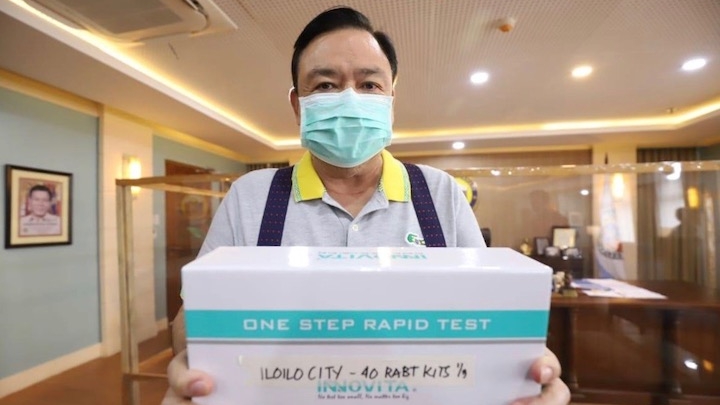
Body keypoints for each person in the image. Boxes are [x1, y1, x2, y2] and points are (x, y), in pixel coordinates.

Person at [162, 7, 570, 405]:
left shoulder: (440, 194)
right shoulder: (252, 197)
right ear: (296, 104)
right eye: (325, 85)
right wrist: (196, 359)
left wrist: (518, 364)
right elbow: (191, 317)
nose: (349, 100)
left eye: (369, 85)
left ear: (391, 99)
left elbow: (487, 312)